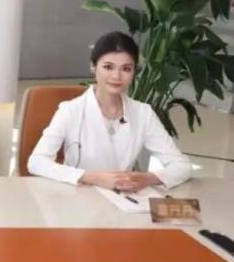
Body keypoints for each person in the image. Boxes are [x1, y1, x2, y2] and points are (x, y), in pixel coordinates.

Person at [27, 31, 191, 190]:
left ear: (134, 72)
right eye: (108, 67)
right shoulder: (70, 110)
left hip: (123, 197)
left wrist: (148, 178)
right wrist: (91, 177)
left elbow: (182, 166)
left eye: (126, 69)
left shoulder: (143, 113)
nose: (116, 76)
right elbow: (37, 162)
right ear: (93, 67)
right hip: (79, 195)